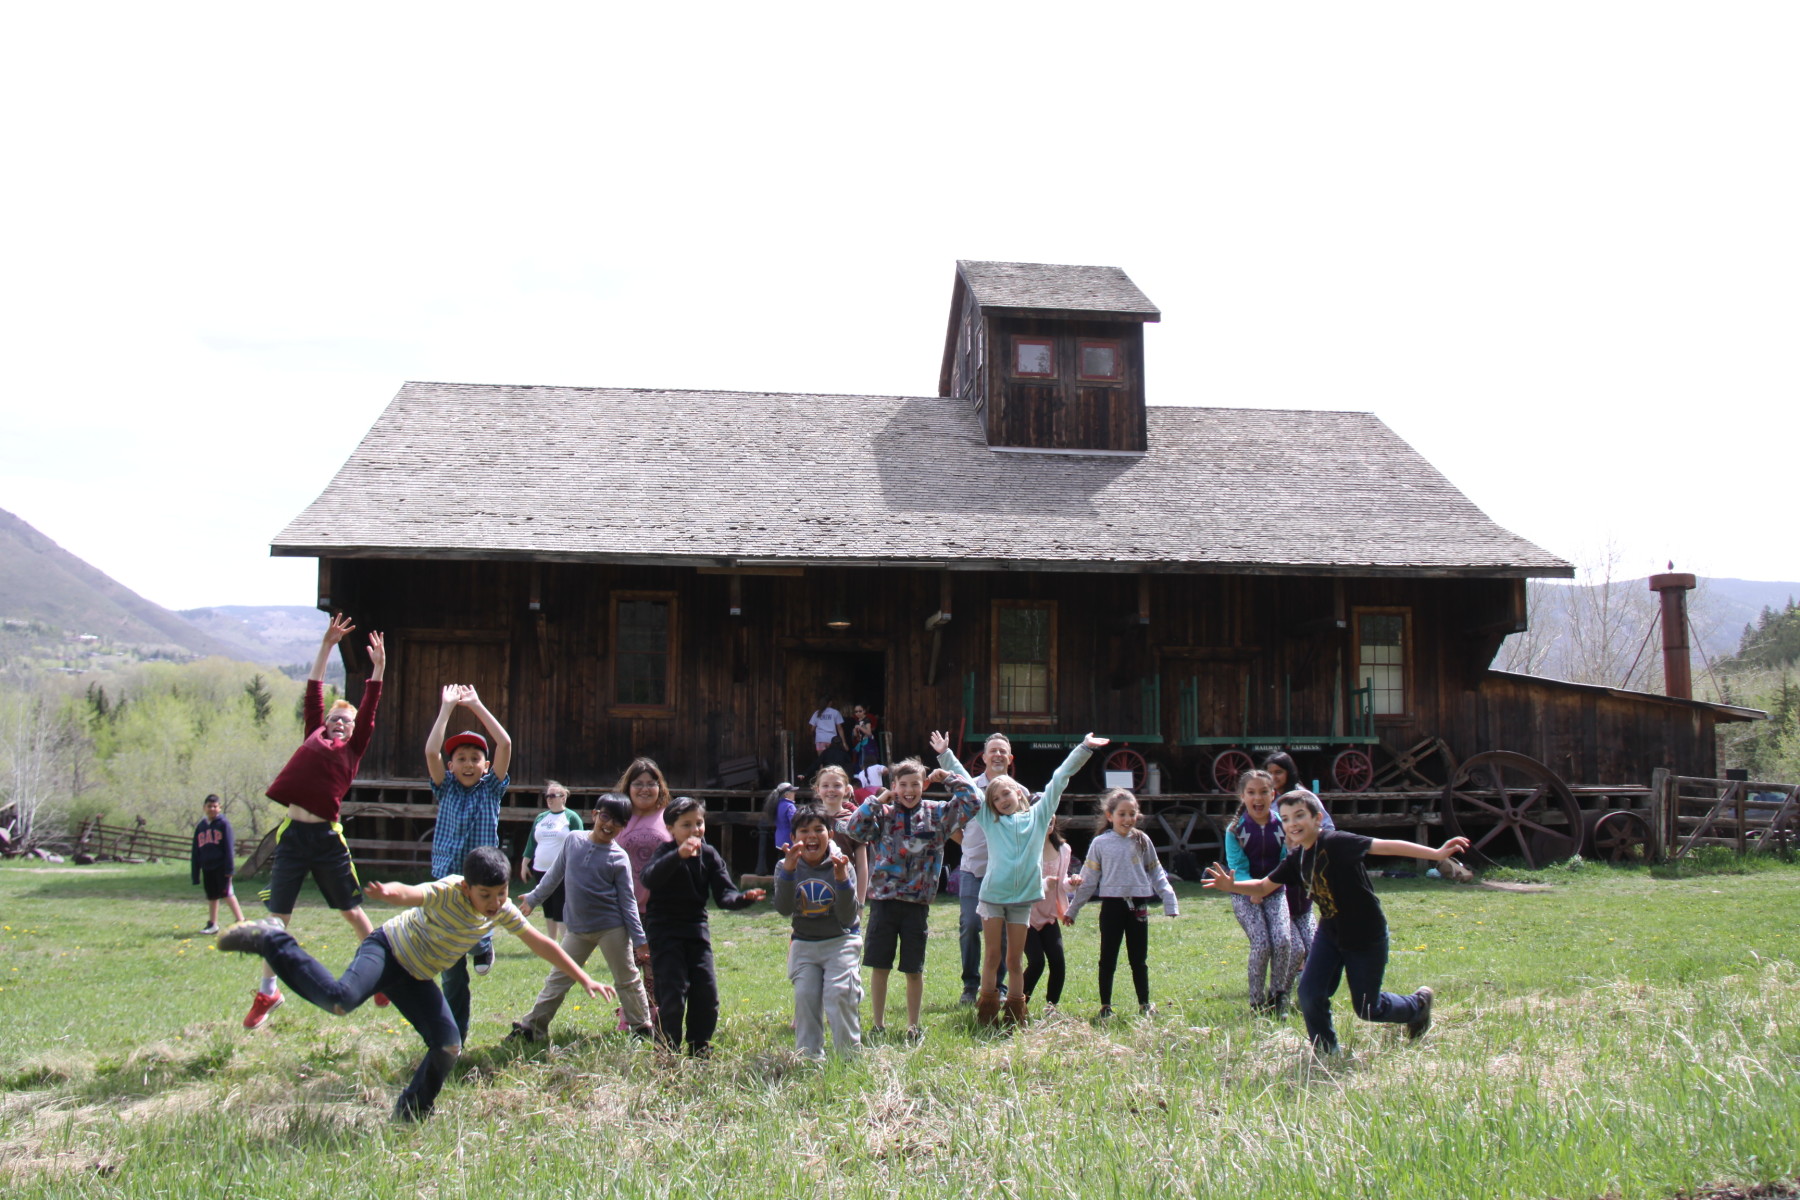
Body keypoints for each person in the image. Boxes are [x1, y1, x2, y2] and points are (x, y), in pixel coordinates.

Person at [215, 847, 612, 1122]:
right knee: (340, 1000)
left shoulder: (502, 909)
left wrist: (584, 977)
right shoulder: (448, 890)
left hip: (417, 977)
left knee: (448, 1045)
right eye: (485, 894)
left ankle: (411, 1112)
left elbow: (540, 942)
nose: (494, 902)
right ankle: (272, 938)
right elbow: (416, 893)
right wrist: (392, 894)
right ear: (466, 888)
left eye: (501, 893)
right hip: (386, 951)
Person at [1203, 790, 1471, 1054]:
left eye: (1299, 816)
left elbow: (1383, 844)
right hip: (1330, 934)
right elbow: (1262, 887)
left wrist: (1436, 854)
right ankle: (1327, 1051)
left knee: (1368, 1008)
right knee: (1309, 995)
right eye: (1285, 819)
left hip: (1365, 934)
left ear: (1317, 818)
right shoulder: (1297, 859)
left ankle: (1418, 1006)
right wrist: (1233, 884)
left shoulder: (1337, 842)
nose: (1292, 824)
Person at [246, 614, 386, 1031]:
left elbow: (370, 704)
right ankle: (268, 991)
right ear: (323, 723)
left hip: (326, 838)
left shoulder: (354, 749)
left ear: (355, 730)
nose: (340, 722)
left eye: (348, 720)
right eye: (335, 718)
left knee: (352, 911)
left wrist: (378, 669)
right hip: (293, 838)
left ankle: (384, 973)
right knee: (277, 919)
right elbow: (314, 690)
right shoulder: (313, 732)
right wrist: (326, 646)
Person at [967, 734, 1104, 1027]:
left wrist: (1084, 748)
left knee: (1016, 961)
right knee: (992, 957)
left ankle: (1016, 1013)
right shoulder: (991, 822)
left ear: (1021, 794)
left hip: (1022, 901)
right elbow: (969, 788)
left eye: (1008, 793)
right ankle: (987, 1009)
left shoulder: (1038, 818)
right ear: (991, 804)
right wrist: (944, 757)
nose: (1003, 799)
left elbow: (1059, 778)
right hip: (992, 898)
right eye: (996, 797)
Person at [843, 759, 980, 1040]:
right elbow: (854, 829)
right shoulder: (883, 815)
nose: (909, 790)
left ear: (924, 786)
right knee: (880, 965)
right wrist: (876, 800)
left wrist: (948, 778)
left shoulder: (938, 814)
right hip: (884, 901)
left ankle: (913, 1026)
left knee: (913, 968)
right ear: (893, 787)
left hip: (917, 904)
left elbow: (972, 802)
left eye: (915, 785)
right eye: (902, 785)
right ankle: (878, 1024)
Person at [510, 795, 653, 1042]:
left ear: (624, 826)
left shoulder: (618, 858)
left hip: (612, 929)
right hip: (577, 930)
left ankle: (642, 1029)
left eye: (618, 822)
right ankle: (531, 1029)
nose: (609, 825)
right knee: (557, 979)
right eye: (606, 817)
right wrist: (533, 899)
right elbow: (554, 875)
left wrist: (639, 940)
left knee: (627, 979)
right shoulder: (573, 840)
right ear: (595, 815)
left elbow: (628, 902)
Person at [640, 798, 766, 1055]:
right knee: (672, 994)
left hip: (696, 930)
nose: (695, 830)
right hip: (664, 932)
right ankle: (668, 1050)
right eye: (686, 825)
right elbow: (649, 878)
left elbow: (724, 895)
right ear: (670, 829)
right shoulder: (665, 853)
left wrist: (743, 899)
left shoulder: (709, 855)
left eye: (699, 823)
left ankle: (700, 1048)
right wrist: (678, 855)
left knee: (706, 994)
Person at [424, 684, 513, 1041]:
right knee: (451, 969)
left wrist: (477, 705)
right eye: (460, 759)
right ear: (451, 765)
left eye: (475, 759)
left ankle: (484, 942)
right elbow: (431, 750)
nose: (468, 764)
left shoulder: (492, 788)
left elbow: (504, 743)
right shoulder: (443, 787)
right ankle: (454, 1037)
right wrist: (446, 709)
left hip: (481, 879)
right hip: (447, 877)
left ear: (485, 765)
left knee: (476, 928)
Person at [1065, 785, 1179, 1019]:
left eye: (1132, 814)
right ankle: (1106, 1006)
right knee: (1108, 958)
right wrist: (1073, 909)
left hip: (1138, 905)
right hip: (1112, 906)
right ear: (1110, 816)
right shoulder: (1101, 843)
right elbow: (1088, 879)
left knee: (1139, 959)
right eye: (1122, 814)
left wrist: (1170, 900)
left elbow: (1156, 872)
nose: (1127, 819)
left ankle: (1145, 1004)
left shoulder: (1142, 841)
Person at [928, 730, 1016, 1006]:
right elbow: (950, 821)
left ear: (1010, 758)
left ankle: (999, 986)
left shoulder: (1016, 791)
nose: (998, 755)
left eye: (1003, 751)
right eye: (994, 751)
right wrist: (944, 754)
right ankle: (970, 984)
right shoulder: (972, 786)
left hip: (1003, 873)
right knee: (968, 924)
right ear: (985, 757)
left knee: (1000, 930)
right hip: (972, 871)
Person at [772, 805, 862, 1061]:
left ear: (830, 834)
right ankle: (809, 1059)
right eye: (804, 830)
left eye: (818, 829)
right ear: (794, 838)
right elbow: (784, 908)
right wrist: (788, 872)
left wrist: (842, 880)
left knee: (838, 993)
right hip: (805, 943)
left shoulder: (842, 864)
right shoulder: (784, 866)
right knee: (806, 996)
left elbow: (847, 917)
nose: (811, 836)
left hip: (841, 941)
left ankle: (849, 1058)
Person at [1223, 769, 1296, 1015]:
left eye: (1264, 792)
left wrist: (1267, 887)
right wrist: (1253, 889)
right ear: (1243, 796)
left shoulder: (1282, 825)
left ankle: (1279, 997)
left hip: (1275, 890)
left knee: (1284, 941)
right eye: (1252, 792)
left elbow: (1286, 861)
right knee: (1262, 943)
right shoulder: (1234, 830)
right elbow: (1237, 868)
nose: (1258, 798)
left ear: (1273, 794)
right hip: (1244, 894)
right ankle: (1256, 1002)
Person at [1021, 822, 1079, 1014]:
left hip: (1049, 915)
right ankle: (1017, 1005)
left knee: (1058, 962)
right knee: (1037, 962)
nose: (1047, 823)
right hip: (1026, 915)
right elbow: (1021, 881)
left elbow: (1061, 882)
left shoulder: (1063, 849)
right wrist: (1044, 884)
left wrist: (1071, 883)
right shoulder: (1024, 848)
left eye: (1051, 819)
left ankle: (1051, 1007)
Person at [520, 780, 584, 944]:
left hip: (562, 871)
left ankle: (567, 944)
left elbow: (580, 843)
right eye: (547, 795)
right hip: (540, 869)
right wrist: (524, 863)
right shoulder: (541, 817)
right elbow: (531, 842)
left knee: (560, 907)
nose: (549, 799)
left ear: (563, 797)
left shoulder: (571, 817)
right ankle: (551, 941)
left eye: (553, 795)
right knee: (547, 907)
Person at [811, 764, 869, 908]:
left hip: (846, 889)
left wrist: (860, 903)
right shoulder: (809, 821)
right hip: (815, 889)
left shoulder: (854, 821)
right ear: (817, 790)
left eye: (837, 785)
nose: (831, 789)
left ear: (847, 789)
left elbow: (862, 865)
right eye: (825, 785)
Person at [191, 794, 243, 934]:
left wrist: (229, 868)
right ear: (204, 808)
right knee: (212, 896)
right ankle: (212, 924)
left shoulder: (223, 824)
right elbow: (196, 850)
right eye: (209, 806)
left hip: (221, 866)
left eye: (215, 806)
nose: (212, 809)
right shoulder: (201, 827)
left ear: (220, 808)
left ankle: (241, 922)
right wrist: (195, 873)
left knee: (227, 893)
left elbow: (229, 848)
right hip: (207, 867)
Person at [807, 698, 846, 765]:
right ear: (830, 702)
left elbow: (812, 729)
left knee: (821, 761)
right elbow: (839, 728)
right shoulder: (835, 712)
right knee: (832, 761)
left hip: (820, 740)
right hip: (832, 740)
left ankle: (821, 774)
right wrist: (844, 742)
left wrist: (813, 738)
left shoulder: (817, 713)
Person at [847, 704, 879, 774]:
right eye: (856, 712)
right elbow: (856, 736)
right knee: (861, 762)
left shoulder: (867, 720)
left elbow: (869, 733)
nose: (858, 713)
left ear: (864, 711)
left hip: (868, 743)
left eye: (860, 711)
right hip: (862, 743)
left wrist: (860, 727)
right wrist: (854, 731)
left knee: (867, 762)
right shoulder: (858, 721)